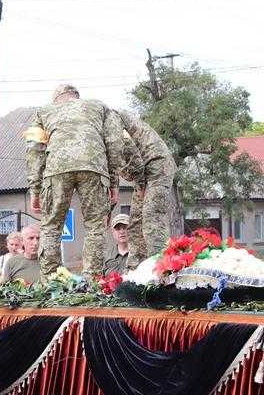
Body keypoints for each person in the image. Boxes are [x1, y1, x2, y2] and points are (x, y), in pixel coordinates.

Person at [26, 84, 123, 278]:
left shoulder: (43, 112)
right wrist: (114, 182)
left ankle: (53, 283)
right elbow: (115, 142)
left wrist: (35, 190)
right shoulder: (100, 107)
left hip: (56, 169)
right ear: (77, 97)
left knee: (51, 227)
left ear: (57, 99)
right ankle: (92, 282)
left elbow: (34, 151)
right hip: (94, 166)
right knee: (95, 227)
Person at [115, 110, 177, 268]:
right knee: (135, 221)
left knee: (151, 218)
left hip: (157, 165)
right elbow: (112, 164)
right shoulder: (95, 134)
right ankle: (135, 269)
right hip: (142, 171)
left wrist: (141, 185)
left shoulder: (109, 121)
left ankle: (161, 269)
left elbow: (131, 152)